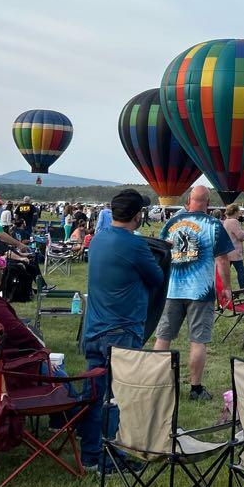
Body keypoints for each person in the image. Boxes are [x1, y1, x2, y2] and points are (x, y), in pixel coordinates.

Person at [81, 188, 165, 468]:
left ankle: (90, 451)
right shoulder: (134, 245)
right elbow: (156, 277)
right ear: (137, 215)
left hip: (94, 328)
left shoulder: (99, 239)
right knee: (115, 397)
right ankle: (108, 458)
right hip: (121, 330)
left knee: (95, 393)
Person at [154, 186, 233, 401]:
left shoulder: (171, 223)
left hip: (172, 289)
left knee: (163, 337)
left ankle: (156, 384)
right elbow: (223, 260)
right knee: (198, 341)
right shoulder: (214, 225)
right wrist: (226, 287)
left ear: (189, 200)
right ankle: (195, 388)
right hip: (201, 292)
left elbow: (161, 252)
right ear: (207, 202)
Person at [222, 204, 244, 290]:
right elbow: (240, 236)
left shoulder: (225, 221)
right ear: (234, 212)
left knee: (225, 272)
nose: (239, 213)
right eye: (238, 211)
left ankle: (223, 288)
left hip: (227, 251)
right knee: (240, 271)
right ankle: (243, 289)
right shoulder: (234, 222)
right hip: (235, 252)